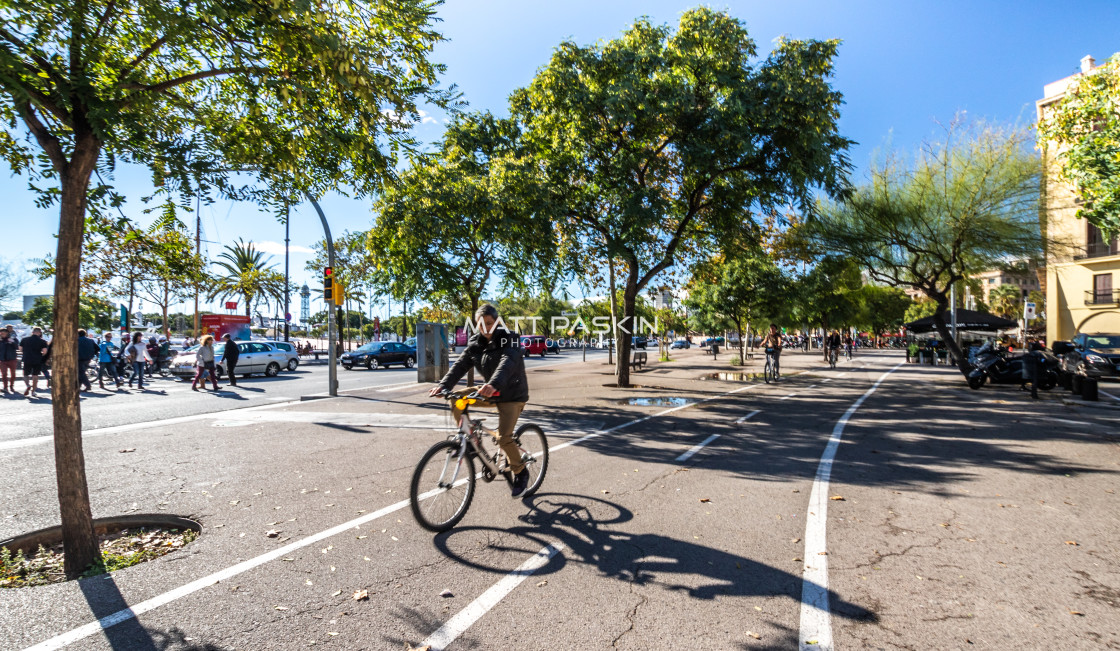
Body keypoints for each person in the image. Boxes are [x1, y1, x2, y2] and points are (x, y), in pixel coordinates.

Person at [429, 304, 531, 497]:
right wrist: (444, 386)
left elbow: (507, 362)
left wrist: (493, 384)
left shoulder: (512, 339)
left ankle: (521, 471)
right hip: (489, 391)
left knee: (503, 438)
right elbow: (460, 365)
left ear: (497, 322)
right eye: (481, 324)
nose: (485, 328)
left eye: (489, 323)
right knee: (457, 398)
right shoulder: (476, 343)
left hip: (512, 395)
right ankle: (469, 436)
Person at [19, 327, 49, 398]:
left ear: (32, 332)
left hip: (27, 359)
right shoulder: (42, 341)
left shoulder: (24, 339)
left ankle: (27, 385)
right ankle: (33, 391)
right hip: (37, 359)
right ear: (39, 333)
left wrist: (26, 353)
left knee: (26, 374)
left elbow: (20, 349)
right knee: (35, 375)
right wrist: (40, 354)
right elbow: (45, 351)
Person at [0, 327, 17, 394]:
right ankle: (5, 387)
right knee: (4, 374)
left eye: (4, 332)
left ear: (7, 333)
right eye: (1, 332)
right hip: (2, 360)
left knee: (13, 374)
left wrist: (12, 342)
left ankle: (11, 386)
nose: (2, 334)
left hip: (12, 359)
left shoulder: (12, 339)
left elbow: (16, 347)